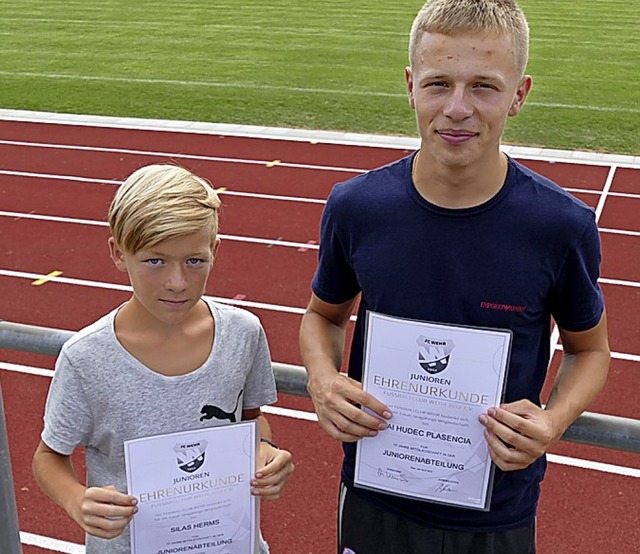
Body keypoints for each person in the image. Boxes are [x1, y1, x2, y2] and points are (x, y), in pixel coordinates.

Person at [299, 0, 610, 552]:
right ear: (410, 85)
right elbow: (323, 315)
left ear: (519, 95)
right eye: (439, 83)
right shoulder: (357, 207)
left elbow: (590, 351)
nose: (458, 108)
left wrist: (553, 420)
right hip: (376, 498)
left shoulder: (561, 225)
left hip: (495, 515)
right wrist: (323, 379)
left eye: (484, 87)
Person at [32, 164, 294, 553]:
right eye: (155, 261)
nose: (177, 282)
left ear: (214, 250)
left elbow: (250, 420)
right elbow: (49, 456)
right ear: (118, 254)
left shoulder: (243, 333)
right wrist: (76, 499)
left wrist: (265, 453)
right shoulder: (85, 358)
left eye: (194, 261)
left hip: (228, 542)